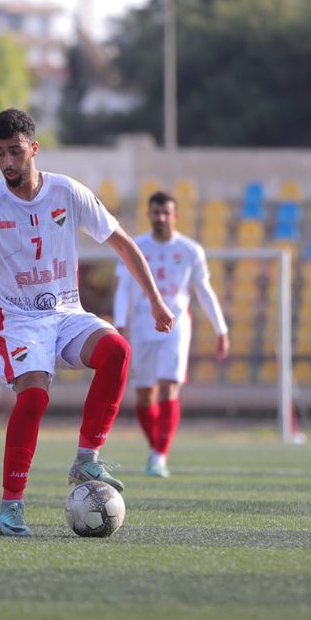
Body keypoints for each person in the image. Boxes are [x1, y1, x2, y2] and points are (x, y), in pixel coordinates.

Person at [0, 109, 174, 537]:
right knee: (34, 398)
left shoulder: (68, 192)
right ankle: (11, 506)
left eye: (15, 152)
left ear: (34, 149)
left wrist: (155, 300)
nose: (7, 162)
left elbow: (122, 242)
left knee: (117, 351)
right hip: (18, 320)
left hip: (66, 312)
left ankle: (86, 460)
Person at [113, 190, 229, 478]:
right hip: (141, 325)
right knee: (143, 396)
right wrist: (118, 324)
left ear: (176, 216)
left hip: (176, 327)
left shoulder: (190, 251)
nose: (160, 217)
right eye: (156, 212)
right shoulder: (135, 246)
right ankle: (157, 449)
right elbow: (124, 289)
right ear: (149, 214)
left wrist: (221, 329)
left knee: (168, 386)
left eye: (166, 212)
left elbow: (204, 291)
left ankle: (158, 455)